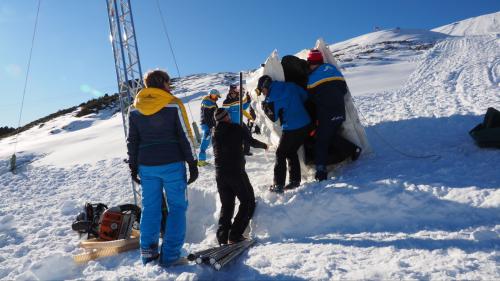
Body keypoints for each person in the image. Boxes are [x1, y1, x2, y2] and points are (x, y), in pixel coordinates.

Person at [126, 69, 198, 267]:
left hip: (146, 167)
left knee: (150, 209)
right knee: (177, 208)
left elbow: (132, 141)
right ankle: (171, 256)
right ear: (163, 82)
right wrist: (192, 162)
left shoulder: (134, 108)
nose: (170, 86)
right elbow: (185, 135)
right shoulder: (173, 103)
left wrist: (133, 165)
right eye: (168, 82)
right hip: (173, 164)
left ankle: (148, 255)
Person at [212, 108, 267, 245]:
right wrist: (265, 145)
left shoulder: (215, 132)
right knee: (248, 201)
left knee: (227, 206)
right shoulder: (236, 128)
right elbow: (251, 141)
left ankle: (222, 237)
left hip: (220, 174)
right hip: (236, 172)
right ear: (226, 117)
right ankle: (235, 235)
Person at [306, 49, 362, 181]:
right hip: (339, 111)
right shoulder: (333, 70)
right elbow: (343, 89)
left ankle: (321, 171)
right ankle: (353, 149)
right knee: (330, 136)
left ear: (312, 63)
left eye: (309, 64)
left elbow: (309, 98)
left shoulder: (312, 78)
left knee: (321, 141)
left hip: (326, 114)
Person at [257, 75, 311, 193]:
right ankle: (294, 181)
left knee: (280, 153)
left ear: (265, 86)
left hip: (291, 127)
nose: (263, 93)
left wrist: (265, 106)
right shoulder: (290, 85)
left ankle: (278, 184)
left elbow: (273, 117)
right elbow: (305, 96)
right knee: (291, 152)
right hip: (306, 124)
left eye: (262, 90)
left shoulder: (272, 98)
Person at [222, 84, 253, 155]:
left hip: (240, 121)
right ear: (229, 92)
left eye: (234, 93)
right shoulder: (226, 102)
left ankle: (246, 151)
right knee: (235, 139)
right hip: (232, 124)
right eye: (232, 92)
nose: (233, 94)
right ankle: (234, 153)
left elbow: (242, 108)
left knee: (248, 134)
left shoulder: (238, 100)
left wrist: (248, 101)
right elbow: (225, 114)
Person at [198, 89, 221, 166]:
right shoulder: (207, 102)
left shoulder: (211, 102)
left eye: (217, 96)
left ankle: (218, 157)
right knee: (205, 141)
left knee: (213, 140)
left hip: (210, 124)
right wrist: (211, 126)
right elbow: (206, 116)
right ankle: (201, 160)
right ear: (212, 95)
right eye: (216, 96)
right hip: (207, 125)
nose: (217, 97)